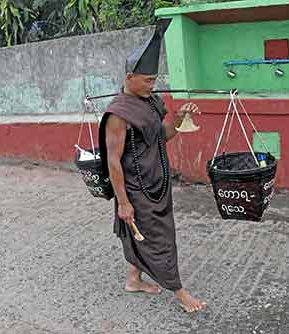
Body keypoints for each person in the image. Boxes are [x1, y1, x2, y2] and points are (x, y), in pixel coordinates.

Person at [98, 19, 206, 313]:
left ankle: (134, 279)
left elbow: (164, 136)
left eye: (154, 79)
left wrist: (182, 115)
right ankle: (180, 292)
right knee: (161, 240)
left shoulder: (152, 102)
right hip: (135, 188)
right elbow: (112, 160)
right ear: (130, 77)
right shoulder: (118, 114)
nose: (152, 85)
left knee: (139, 235)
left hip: (157, 182)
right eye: (147, 80)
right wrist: (123, 202)